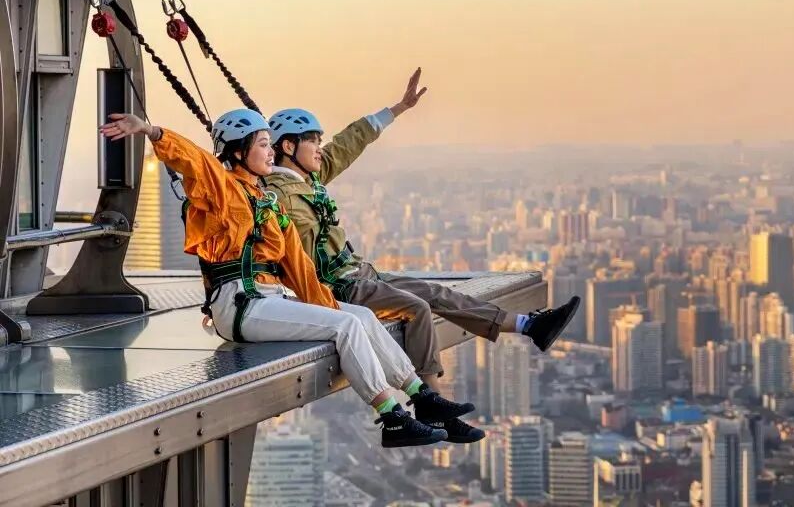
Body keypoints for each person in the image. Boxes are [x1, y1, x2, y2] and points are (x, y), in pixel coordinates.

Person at [100, 109, 476, 449]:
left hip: (269, 299)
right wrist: (152, 130)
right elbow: (196, 161)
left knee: (359, 317)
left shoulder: (270, 204)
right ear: (238, 151)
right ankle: (392, 417)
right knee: (346, 326)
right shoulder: (224, 188)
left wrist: (329, 306)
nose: (270, 152)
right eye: (262, 144)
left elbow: (300, 269)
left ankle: (419, 395)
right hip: (241, 305)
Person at [262, 70, 581, 426]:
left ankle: (528, 326)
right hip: (335, 285)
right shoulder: (273, 195)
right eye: (311, 141)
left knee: (436, 292)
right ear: (288, 147)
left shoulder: (311, 177)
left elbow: (351, 141)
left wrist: (398, 108)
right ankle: (432, 403)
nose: (320, 149)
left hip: (358, 272)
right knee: (416, 308)